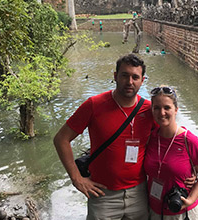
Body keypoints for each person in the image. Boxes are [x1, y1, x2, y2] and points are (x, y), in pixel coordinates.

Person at [53, 54, 155, 220]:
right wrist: (77, 179)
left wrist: (190, 172)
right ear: (115, 76)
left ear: (142, 80)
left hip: (139, 194)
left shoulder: (150, 110)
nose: (130, 82)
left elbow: (170, 139)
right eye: (124, 75)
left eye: (135, 77)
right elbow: (61, 139)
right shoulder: (94, 105)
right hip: (103, 195)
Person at [144, 86, 198, 220]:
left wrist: (191, 199)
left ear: (176, 110)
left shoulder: (189, 140)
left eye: (167, 108)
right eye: (156, 108)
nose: (161, 113)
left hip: (182, 213)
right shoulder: (150, 138)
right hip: (154, 211)